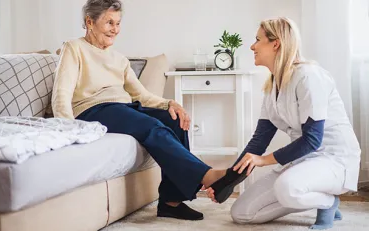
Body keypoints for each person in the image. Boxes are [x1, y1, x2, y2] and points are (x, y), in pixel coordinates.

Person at [51, 0, 245, 221]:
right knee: (151, 126)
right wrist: (67, 129)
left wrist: (169, 104)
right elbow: (61, 94)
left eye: (118, 23)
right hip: (92, 110)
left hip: (122, 108)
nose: (115, 29)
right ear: (89, 22)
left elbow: (141, 95)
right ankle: (207, 175)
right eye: (109, 22)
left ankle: (171, 202)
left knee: (174, 120)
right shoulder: (74, 48)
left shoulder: (119, 59)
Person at [205, 17, 361, 230]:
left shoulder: (309, 77)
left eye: (258, 40)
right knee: (241, 213)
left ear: (275, 43)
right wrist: (227, 181)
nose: (252, 46)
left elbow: (312, 140)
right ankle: (308, 194)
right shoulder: (272, 87)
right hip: (302, 161)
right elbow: (258, 142)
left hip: (332, 159)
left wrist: (263, 161)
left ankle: (328, 202)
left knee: (288, 188)